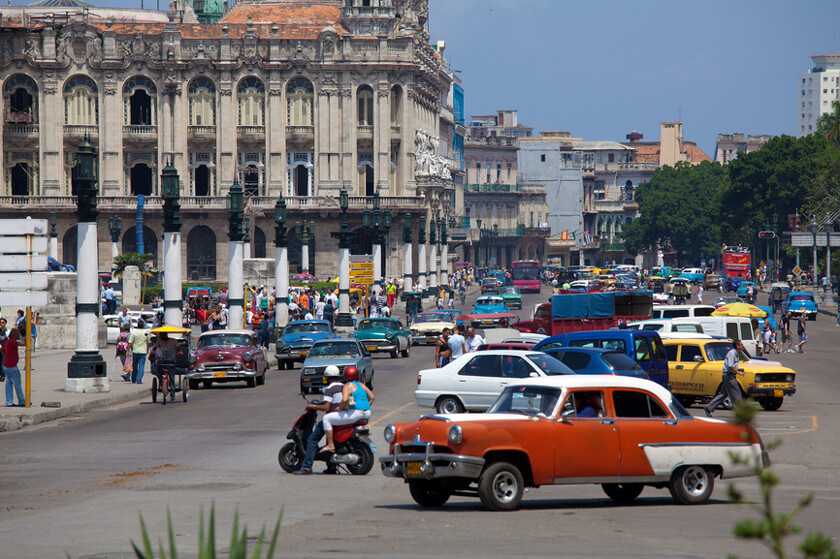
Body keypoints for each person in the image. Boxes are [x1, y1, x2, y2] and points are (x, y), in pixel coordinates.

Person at [293, 366, 345, 475]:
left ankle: (306, 467)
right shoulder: (343, 386)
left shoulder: (329, 388)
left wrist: (313, 406)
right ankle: (331, 467)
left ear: (327, 377)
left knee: (312, 439)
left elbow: (326, 407)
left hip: (333, 418)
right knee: (329, 440)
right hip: (344, 417)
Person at [321, 366, 374, 452]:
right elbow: (372, 397)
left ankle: (330, 444)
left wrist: (340, 408)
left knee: (326, 419)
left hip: (356, 414)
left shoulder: (347, 385)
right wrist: (366, 406)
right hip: (367, 414)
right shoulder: (362, 385)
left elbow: (345, 399)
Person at [704, 339, 745, 416]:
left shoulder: (736, 353)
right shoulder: (732, 353)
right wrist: (738, 372)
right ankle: (742, 412)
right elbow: (730, 366)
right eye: (741, 345)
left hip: (730, 375)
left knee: (723, 394)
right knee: (737, 394)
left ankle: (709, 407)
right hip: (729, 376)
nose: (743, 346)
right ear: (737, 346)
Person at [151, 331, 180, 400]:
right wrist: (153, 351)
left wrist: (179, 351)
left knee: (172, 378)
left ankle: (173, 394)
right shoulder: (159, 341)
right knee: (157, 369)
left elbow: (178, 347)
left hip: (171, 361)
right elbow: (155, 347)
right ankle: (161, 381)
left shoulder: (173, 341)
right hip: (162, 360)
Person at [2, 328, 25, 407]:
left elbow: (1, 349)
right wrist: (26, 340)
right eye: (18, 334)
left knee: (8, 384)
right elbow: (21, 344)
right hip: (11, 366)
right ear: (15, 334)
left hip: (6, 365)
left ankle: (9, 402)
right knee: (17, 384)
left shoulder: (8, 341)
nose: (19, 335)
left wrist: (6, 355)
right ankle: (22, 401)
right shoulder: (12, 341)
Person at [128, 319, 150, 383]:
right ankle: (139, 379)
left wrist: (127, 350)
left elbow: (130, 342)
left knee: (134, 366)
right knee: (141, 366)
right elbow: (148, 343)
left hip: (135, 351)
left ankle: (134, 379)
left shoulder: (134, 332)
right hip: (143, 351)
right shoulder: (146, 333)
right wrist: (147, 350)